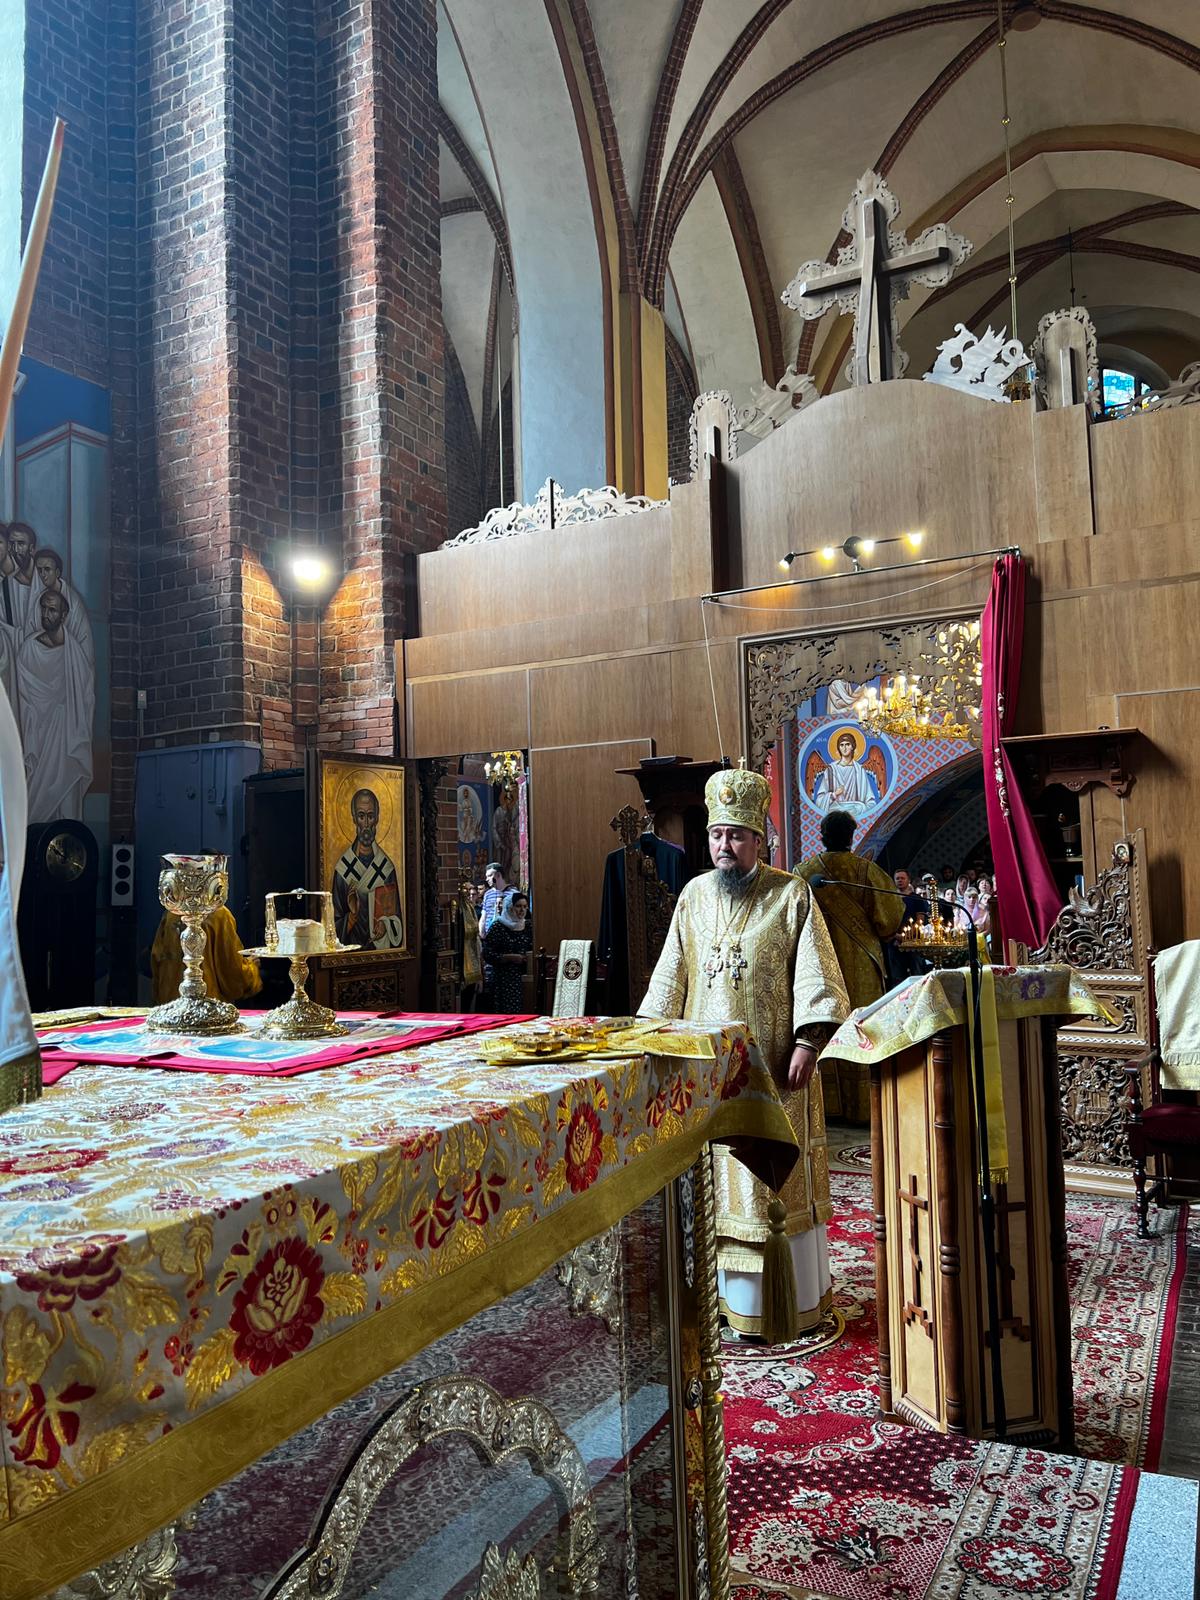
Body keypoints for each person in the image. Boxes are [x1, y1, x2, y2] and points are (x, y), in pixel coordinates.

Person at [640, 766, 849, 1341]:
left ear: (758, 839)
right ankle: (717, 1302)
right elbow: (670, 977)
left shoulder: (791, 894)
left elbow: (817, 975)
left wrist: (808, 1042)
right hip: (707, 1074)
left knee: (767, 1187)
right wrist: (650, 1038)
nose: (724, 846)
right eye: (716, 835)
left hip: (774, 1070)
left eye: (735, 835)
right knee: (713, 1185)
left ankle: (784, 1303)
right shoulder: (693, 896)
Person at [794, 809, 904, 1122]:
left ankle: (826, 1109)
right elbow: (889, 918)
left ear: (822, 836)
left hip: (816, 965)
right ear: (851, 837)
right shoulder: (867, 872)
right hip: (860, 964)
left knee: (825, 1024)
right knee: (861, 1027)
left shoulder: (803, 872)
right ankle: (863, 1107)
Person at [17, 588, 94, 822]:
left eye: (52, 610)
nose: (46, 614)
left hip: (68, 738)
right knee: (36, 803)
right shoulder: (30, 648)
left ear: (63, 615)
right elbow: (24, 694)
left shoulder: (75, 655)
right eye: (43, 608)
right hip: (41, 735)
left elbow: (86, 697)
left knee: (68, 804)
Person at [331, 788, 403, 948]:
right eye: (361, 816)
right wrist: (352, 916)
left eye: (370, 816)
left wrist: (385, 924)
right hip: (350, 952)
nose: (366, 824)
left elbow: (396, 916)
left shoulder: (386, 867)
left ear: (377, 818)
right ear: (354, 818)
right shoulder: (343, 869)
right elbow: (333, 926)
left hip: (379, 952)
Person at [151, 904, 262, 1005]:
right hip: (207, 1008)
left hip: (171, 1007)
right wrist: (252, 968)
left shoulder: (172, 912)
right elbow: (232, 975)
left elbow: (157, 963)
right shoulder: (220, 915)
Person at [481, 888, 530, 1012]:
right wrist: (509, 957)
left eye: (525, 906)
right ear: (510, 907)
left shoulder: (528, 926)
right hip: (503, 979)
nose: (522, 910)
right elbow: (487, 953)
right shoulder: (498, 926)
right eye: (518, 906)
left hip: (524, 978)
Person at [814, 728, 879, 817]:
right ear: (839, 748)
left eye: (847, 744)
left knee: (861, 807)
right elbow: (819, 801)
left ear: (852, 746)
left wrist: (865, 807)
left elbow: (870, 800)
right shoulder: (831, 769)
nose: (844, 748)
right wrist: (834, 794)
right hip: (835, 808)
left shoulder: (859, 770)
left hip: (854, 808)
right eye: (841, 745)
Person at [477, 861, 508, 938]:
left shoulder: (511, 892)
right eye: (486, 876)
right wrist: (482, 933)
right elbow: (484, 916)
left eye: (489, 876)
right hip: (489, 935)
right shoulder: (488, 894)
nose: (487, 879)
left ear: (498, 875)